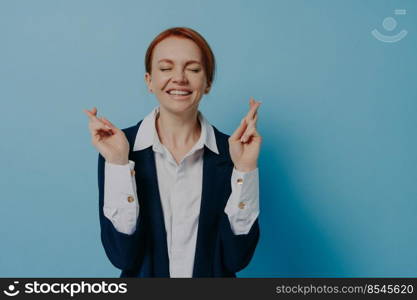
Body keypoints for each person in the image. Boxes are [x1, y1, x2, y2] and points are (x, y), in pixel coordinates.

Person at [83, 27, 261, 277]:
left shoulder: (233, 151)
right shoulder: (119, 147)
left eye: (193, 69)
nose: (179, 77)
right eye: (166, 68)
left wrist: (245, 169)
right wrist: (119, 164)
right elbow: (122, 256)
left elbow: (236, 259)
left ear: (208, 82)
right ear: (149, 81)